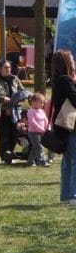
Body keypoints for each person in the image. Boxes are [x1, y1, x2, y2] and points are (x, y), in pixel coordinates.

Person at [50, 49, 76, 204]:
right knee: (74, 160)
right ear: (66, 62)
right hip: (70, 125)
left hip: (62, 126)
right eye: (71, 58)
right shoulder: (65, 80)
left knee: (67, 162)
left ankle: (65, 197)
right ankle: (73, 195)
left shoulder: (57, 80)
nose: (74, 61)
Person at [0, 58, 27, 164]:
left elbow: (23, 91)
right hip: (2, 112)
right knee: (4, 134)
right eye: (6, 68)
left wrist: (22, 97)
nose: (8, 69)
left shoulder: (15, 79)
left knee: (14, 133)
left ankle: (10, 155)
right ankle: (5, 157)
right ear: (0, 69)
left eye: (9, 67)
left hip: (15, 112)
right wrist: (3, 98)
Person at [21, 92, 49, 167]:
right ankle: (42, 162)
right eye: (36, 102)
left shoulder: (42, 111)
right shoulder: (30, 111)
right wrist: (41, 129)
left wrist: (46, 128)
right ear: (32, 103)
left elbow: (45, 120)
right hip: (33, 133)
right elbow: (32, 122)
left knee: (35, 147)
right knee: (39, 147)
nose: (39, 104)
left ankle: (30, 162)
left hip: (42, 132)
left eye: (41, 102)